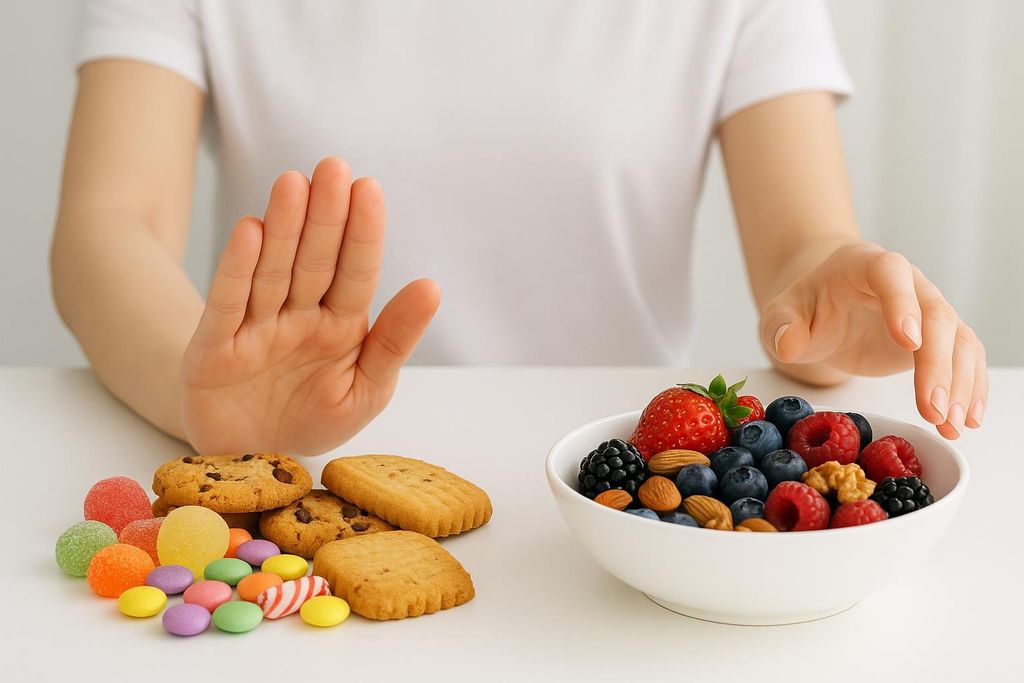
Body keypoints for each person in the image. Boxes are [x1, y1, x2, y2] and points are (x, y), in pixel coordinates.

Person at [51, 1, 986, 456]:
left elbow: (801, 257)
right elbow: (107, 226)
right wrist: (200, 400)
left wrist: (840, 298)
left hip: (619, 498)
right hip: (297, 473)